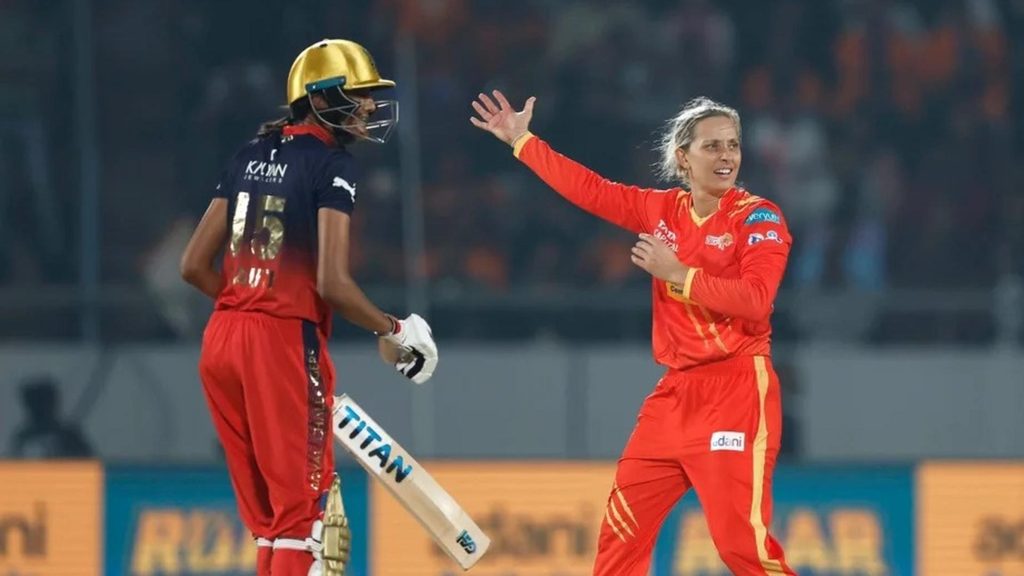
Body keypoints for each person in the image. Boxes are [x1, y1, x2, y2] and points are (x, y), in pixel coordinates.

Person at [471, 90, 796, 575]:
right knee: (620, 537)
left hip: (735, 391)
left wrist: (677, 273)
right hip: (673, 396)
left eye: (733, 145)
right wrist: (523, 141)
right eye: (712, 146)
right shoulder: (661, 210)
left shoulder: (758, 216)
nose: (726, 155)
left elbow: (756, 300)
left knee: (740, 547)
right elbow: (592, 190)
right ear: (683, 158)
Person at [180, 39, 439, 576]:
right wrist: (395, 329)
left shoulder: (249, 153)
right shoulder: (331, 164)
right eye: (357, 94)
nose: (368, 106)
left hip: (221, 339)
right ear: (319, 99)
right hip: (280, 345)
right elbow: (333, 284)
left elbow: (193, 266)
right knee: (300, 523)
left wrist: (249, 301)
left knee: (271, 523)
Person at [10, 376, 93, 459]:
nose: (41, 408)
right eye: (36, 403)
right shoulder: (23, 439)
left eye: (45, 402)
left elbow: (88, 460)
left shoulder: (70, 436)